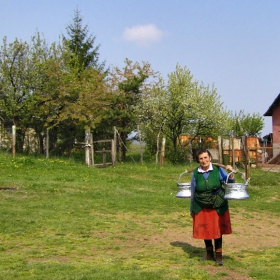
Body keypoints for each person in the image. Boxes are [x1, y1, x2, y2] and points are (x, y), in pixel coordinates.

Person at [190, 148, 235, 266]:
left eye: (205, 157)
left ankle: (219, 256)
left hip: (217, 204)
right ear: (198, 160)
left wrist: (231, 174)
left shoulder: (218, 170)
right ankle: (209, 254)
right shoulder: (195, 173)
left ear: (210, 158)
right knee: (206, 229)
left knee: (217, 229)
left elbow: (229, 183)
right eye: (201, 158)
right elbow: (193, 191)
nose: (204, 160)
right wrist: (191, 208)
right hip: (201, 204)